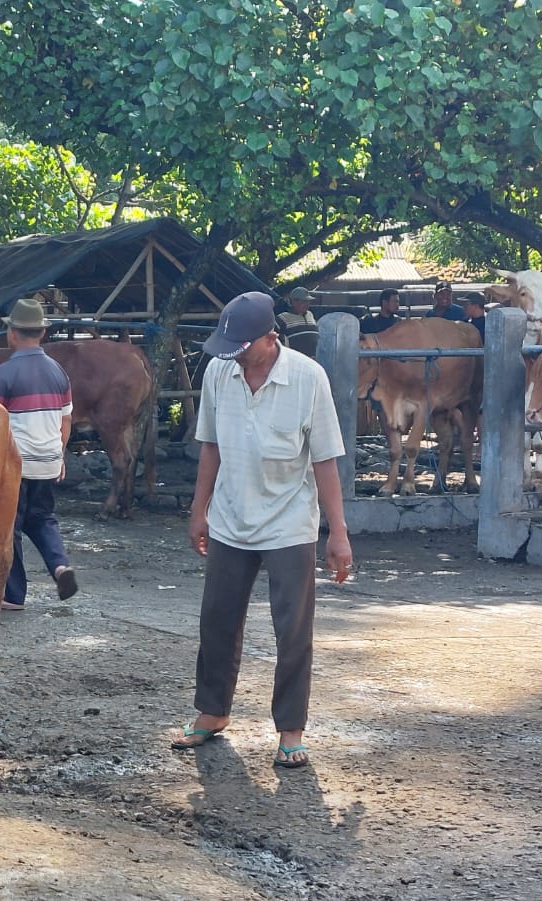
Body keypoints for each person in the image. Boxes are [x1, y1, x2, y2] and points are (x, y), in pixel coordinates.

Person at [172, 291, 352, 769]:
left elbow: (325, 461)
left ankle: (290, 730)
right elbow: (210, 446)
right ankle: (212, 713)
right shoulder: (218, 371)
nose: (231, 352)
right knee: (217, 619)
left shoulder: (308, 378)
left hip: (290, 524)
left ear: (270, 337)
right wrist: (199, 509)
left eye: (241, 344)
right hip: (230, 517)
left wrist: (337, 532)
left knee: (292, 631)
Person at [0, 298, 78, 610]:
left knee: (9, 525)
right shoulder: (58, 372)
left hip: (16, 464)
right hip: (49, 461)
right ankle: (60, 567)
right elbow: (65, 420)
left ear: (12, 333)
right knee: (42, 519)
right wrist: (60, 456)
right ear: (42, 333)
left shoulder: (4, 374)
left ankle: (13, 594)